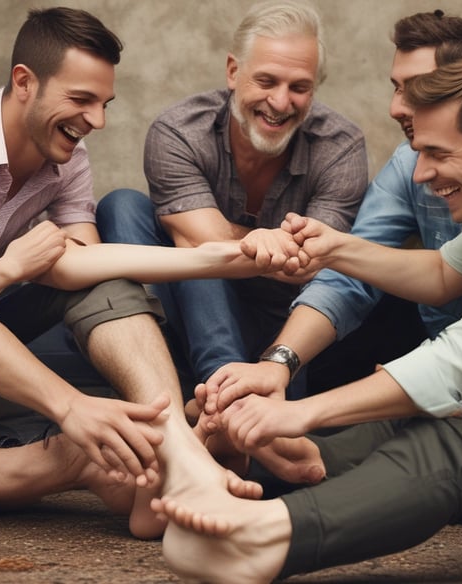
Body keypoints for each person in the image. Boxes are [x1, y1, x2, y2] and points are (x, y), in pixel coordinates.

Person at [150, 55, 462, 582]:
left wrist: (302, 410)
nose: (422, 172)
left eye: (435, 153)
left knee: (448, 446)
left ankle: (259, 536)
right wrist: (337, 249)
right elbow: (440, 273)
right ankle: (304, 458)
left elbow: (461, 360)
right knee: (424, 408)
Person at [0, 6, 293, 535]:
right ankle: (1, 460)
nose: (96, 120)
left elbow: (85, 268)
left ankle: (178, 455)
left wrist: (224, 257)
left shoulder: (66, 155)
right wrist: (70, 406)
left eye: (104, 102)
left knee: (101, 294)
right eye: (81, 100)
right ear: (24, 82)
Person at [199, 10, 462, 417]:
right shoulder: (406, 164)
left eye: (417, 89)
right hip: (444, 357)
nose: (396, 107)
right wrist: (279, 362)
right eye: (396, 88)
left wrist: (413, 381)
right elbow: (379, 276)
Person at [96, 0, 410, 402]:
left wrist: (240, 240)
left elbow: (308, 263)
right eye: (266, 81)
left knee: (203, 246)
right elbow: (205, 247)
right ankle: (223, 394)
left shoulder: (340, 146)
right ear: (233, 71)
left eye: (299, 87)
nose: (281, 102)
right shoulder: (178, 131)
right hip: (182, 320)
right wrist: (263, 239)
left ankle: (217, 399)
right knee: (123, 207)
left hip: (279, 339)